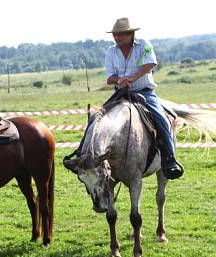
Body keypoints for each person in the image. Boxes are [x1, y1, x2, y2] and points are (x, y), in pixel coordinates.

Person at [64, 18, 183, 179]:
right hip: (121, 92)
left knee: (160, 118)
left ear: (130, 34)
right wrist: (119, 80)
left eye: (119, 34)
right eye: (115, 34)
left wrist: (132, 78)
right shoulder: (111, 51)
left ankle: (170, 159)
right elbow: (109, 77)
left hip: (144, 91)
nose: (116, 38)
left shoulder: (144, 45)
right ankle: (82, 155)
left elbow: (150, 64)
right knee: (96, 118)